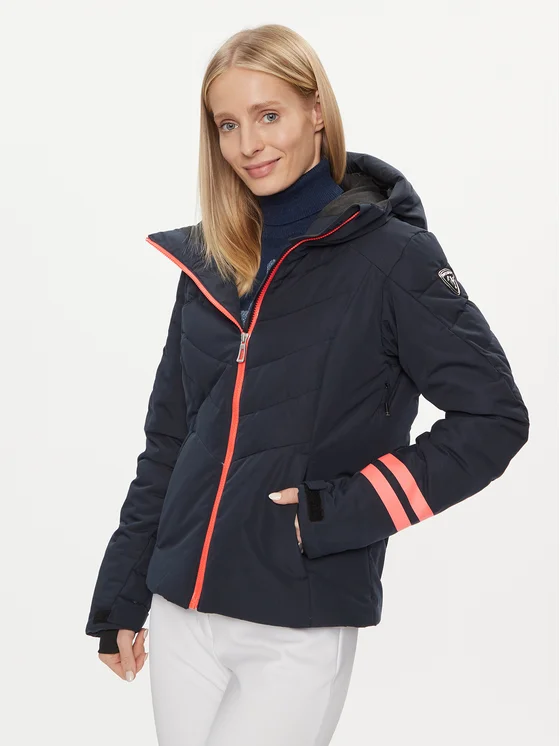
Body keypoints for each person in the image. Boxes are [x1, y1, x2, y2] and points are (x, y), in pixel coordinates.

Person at [85, 23, 530, 746]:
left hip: (298, 616)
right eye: (228, 125)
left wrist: (340, 511)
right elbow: (169, 441)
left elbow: (495, 419)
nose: (248, 144)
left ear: (315, 111)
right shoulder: (211, 261)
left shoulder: (393, 257)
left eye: (269, 115)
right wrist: (122, 593)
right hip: (182, 611)